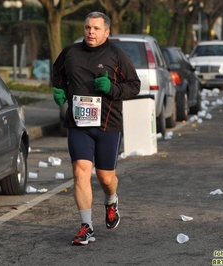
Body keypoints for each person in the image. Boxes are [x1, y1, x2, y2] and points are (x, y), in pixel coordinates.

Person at [52, 11, 140, 245]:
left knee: (105, 177)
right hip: (78, 124)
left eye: (96, 28)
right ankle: (86, 226)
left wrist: (111, 88)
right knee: (80, 172)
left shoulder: (117, 55)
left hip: (108, 125)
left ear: (106, 32)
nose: (91, 32)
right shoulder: (71, 52)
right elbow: (57, 74)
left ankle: (111, 200)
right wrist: (58, 90)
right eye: (88, 27)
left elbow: (134, 86)